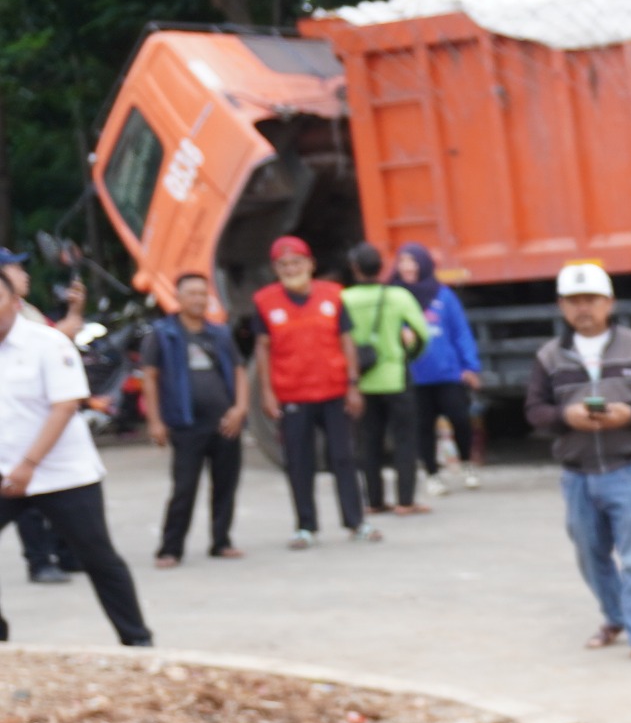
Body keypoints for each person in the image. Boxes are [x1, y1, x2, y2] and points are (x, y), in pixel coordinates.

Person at [524, 261, 631, 665]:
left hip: (629, 467)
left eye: (591, 299)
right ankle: (615, 616)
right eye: (573, 302)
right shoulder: (550, 356)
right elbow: (535, 409)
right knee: (590, 554)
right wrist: (563, 418)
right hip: (577, 474)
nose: (583, 309)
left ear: (609, 302)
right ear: (561, 306)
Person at [0, 269, 150, 646]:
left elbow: (64, 407)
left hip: (63, 475)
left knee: (98, 557)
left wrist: (29, 465)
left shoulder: (48, 343)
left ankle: (138, 642)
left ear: (15, 304)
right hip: (5, 473)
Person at [245, 235, 374, 549]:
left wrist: (353, 386)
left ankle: (356, 521)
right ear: (276, 268)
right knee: (299, 462)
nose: (291, 268)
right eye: (284, 264)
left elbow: (347, 342)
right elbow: (262, 349)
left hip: (333, 391)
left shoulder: (333, 295)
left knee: (343, 458)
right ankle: (305, 526)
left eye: (297, 262)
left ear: (310, 264)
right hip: (292, 394)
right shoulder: (264, 301)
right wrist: (267, 393)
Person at [137, 272, 247, 567]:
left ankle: (221, 541)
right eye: (192, 293)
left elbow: (239, 372)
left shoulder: (220, 333)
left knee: (225, 485)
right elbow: (150, 377)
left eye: (203, 293)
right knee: (184, 488)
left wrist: (239, 409)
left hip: (225, 422)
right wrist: (155, 421)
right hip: (186, 424)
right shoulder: (163, 334)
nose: (198, 299)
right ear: (178, 297)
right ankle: (170, 548)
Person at [343, 242, 433, 518]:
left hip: (363, 380)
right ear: (381, 268)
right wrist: (409, 355)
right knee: (404, 439)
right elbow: (422, 333)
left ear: (355, 269)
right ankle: (405, 501)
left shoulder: (343, 299)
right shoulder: (398, 296)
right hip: (395, 376)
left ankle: (374, 501)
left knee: (368, 441)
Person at [0, 256, 74, 586]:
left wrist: (75, 311)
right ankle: (40, 561)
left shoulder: (25, 311)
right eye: (16, 268)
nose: (24, 274)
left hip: (39, 436)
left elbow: (57, 340)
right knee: (26, 505)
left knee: (54, 505)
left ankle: (62, 555)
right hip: (15, 442)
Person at [397, 243, 484, 497]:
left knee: (460, 418)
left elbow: (460, 332)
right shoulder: (395, 297)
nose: (407, 267)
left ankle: (467, 464)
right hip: (414, 375)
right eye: (402, 261)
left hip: (448, 373)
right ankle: (433, 475)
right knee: (423, 426)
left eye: (412, 261)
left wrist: (470, 366)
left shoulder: (443, 295)